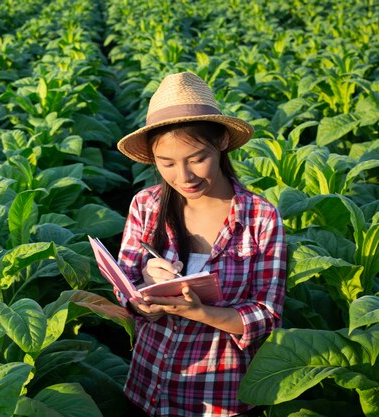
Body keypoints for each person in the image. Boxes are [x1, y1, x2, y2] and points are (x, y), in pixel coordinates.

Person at [114, 72, 287, 417]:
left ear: (221, 142)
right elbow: (125, 289)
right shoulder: (146, 205)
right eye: (167, 164)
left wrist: (201, 312)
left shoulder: (261, 217)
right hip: (149, 385)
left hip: (221, 395)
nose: (184, 177)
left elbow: (267, 315)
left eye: (196, 159)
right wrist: (146, 293)